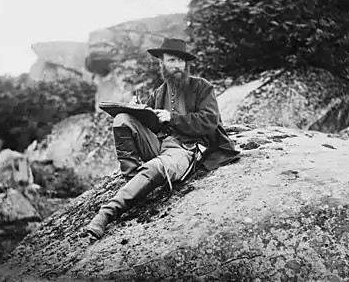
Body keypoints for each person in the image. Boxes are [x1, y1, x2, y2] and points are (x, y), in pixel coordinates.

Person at [86, 38, 240, 239]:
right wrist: (137, 109)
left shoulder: (201, 87)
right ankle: (132, 178)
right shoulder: (159, 93)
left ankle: (107, 213)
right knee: (122, 119)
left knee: (156, 167)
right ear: (162, 64)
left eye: (181, 61)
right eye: (171, 61)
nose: (177, 66)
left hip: (185, 150)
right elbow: (149, 123)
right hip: (158, 145)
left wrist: (173, 118)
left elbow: (209, 121)